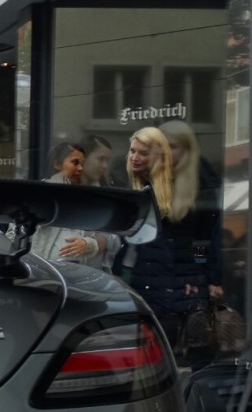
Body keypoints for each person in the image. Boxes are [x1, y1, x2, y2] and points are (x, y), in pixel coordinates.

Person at [115, 125, 223, 358]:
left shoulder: (187, 187)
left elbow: (199, 240)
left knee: (165, 355)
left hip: (167, 284)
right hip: (160, 282)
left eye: (143, 153)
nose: (135, 157)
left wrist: (204, 274)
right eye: (132, 151)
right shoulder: (137, 183)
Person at [34, 142, 106, 268]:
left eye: (82, 164)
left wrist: (86, 244)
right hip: (37, 273)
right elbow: (14, 236)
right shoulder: (36, 194)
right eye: (75, 162)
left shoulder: (84, 199)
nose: (80, 168)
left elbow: (93, 240)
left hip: (70, 277)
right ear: (57, 164)